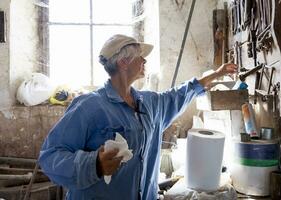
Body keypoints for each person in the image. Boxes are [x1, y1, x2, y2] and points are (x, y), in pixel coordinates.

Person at [38, 34, 237, 200]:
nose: (144, 61)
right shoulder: (88, 106)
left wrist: (213, 76)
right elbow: (50, 156)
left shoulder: (149, 103)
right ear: (124, 62)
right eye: (140, 56)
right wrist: (94, 164)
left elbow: (178, 95)